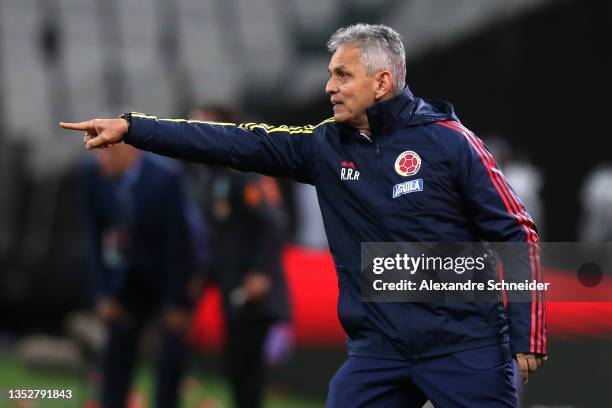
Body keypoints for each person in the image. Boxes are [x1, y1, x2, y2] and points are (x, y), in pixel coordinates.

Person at [62, 23, 546, 408]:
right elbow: (235, 141)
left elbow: (516, 231)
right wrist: (133, 128)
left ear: (381, 82)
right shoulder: (323, 147)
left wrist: (528, 333)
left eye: (342, 74)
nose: (328, 86)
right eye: (330, 73)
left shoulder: (448, 141)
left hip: (463, 344)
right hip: (380, 349)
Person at [189, 105, 292, 408]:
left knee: (248, 372)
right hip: (231, 288)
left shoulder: (243, 167)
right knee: (235, 369)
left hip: (255, 293)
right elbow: (220, 238)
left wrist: (259, 272)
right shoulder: (210, 177)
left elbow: (273, 221)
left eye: (201, 126)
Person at [81, 143, 197, 408]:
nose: (102, 159)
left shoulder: (166, 178)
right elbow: (96, 237)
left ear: (132, 151)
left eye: (109, 151)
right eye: (98, 152)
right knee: (116, 351)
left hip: (165, 276)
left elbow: (178, 241)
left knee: (170, 354)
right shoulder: (92, 175)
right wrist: (104, 292)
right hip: (124, 278)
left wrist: (178, 301)